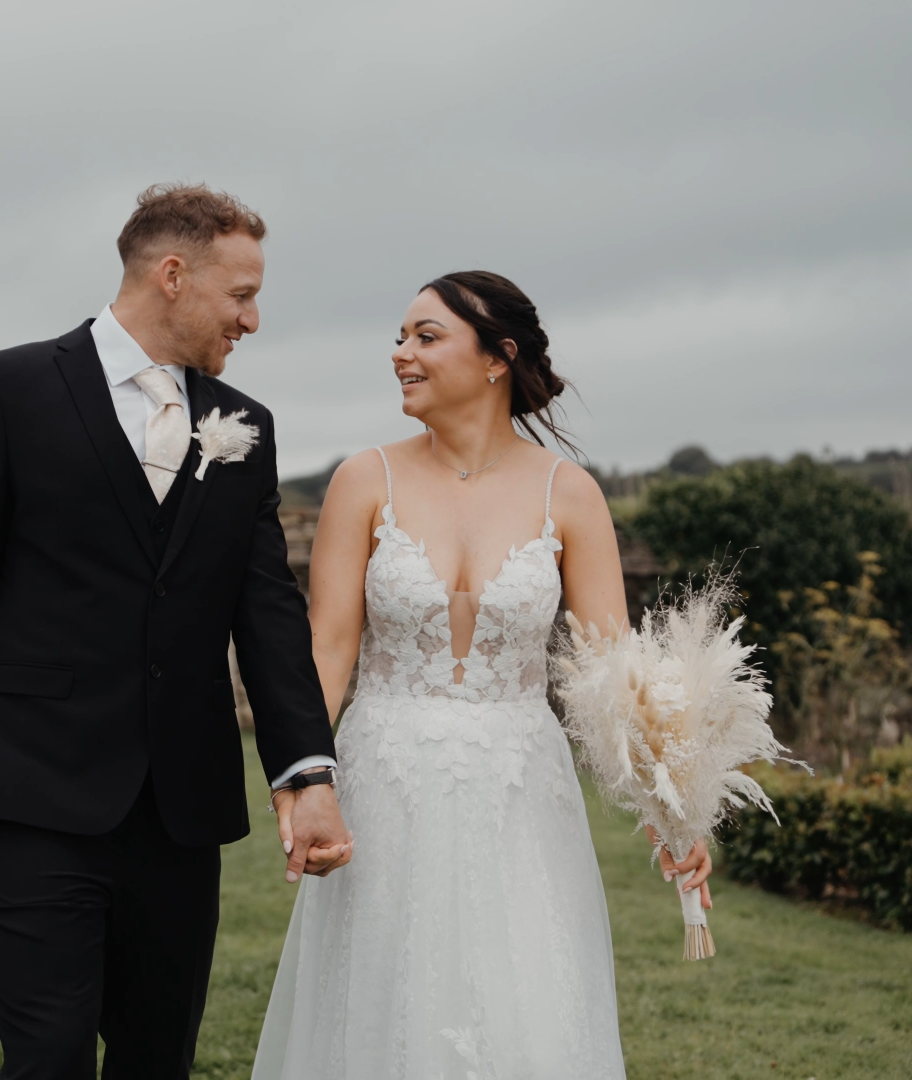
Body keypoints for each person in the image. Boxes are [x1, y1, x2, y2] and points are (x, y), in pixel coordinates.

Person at [0, 183, 353, 1080]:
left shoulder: (245, 429)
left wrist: (306, 773)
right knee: (50, 1055)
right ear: (174, 275)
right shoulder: (6, 388)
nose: (254, 320)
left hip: (179, 814)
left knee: (159, 1059)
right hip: (31, 799)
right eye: (241, 295)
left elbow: (266, 613)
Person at [252, 271, 712, 1078]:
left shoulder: (569, 494)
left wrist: (670, 805)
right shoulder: (365, 480)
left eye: (425, 337)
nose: (401, 354)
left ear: (497, 358)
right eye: (400, 338)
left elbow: (614, 673)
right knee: (380, 999)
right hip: (384, 783)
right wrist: (302, 777)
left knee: (524, 997)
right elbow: (326, 648)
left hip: (520, 793)